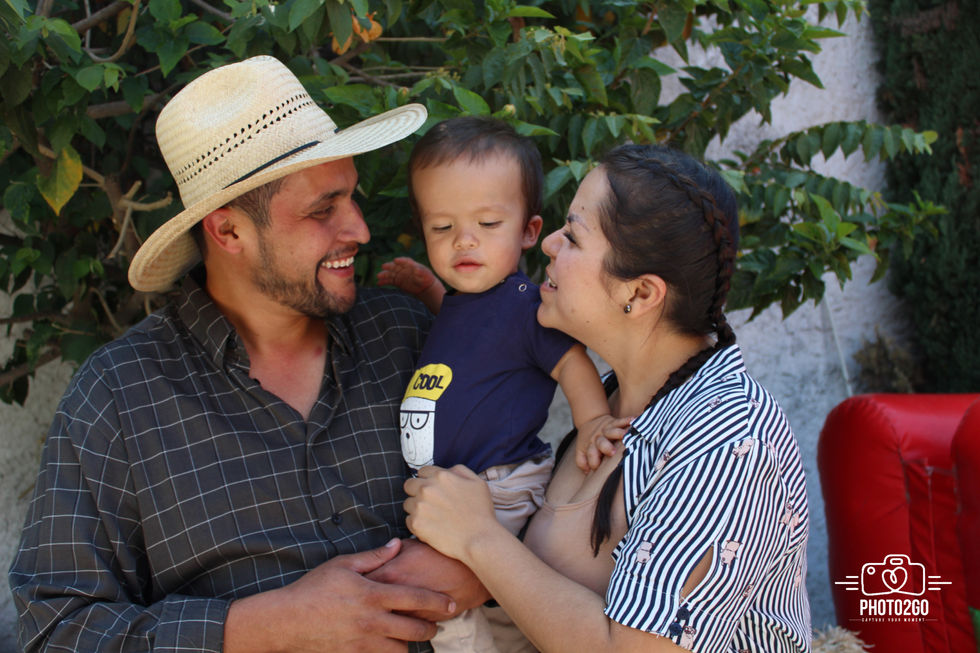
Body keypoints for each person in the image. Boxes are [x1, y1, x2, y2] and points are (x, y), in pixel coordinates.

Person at [8, 55, 490, 652]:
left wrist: (486, 566)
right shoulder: (119, 396)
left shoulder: (407, 334)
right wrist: (265, 626)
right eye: (323, 209)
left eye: (351, 198)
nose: (360, 230)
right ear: (228, 231)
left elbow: (524, 477)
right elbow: (54, 630)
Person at [403, 144, 812, 652]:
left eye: (573, 236)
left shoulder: (728, 442)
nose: (548, 242)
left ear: (638, 293)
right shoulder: (615, 402)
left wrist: (477, 536)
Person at [378, 117, 628, 652]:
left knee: (435, 595)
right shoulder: (463, 303)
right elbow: (470, 344)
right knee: (491, 610)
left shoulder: (524, 305)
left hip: (499, 484)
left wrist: (592, 421)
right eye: (441, 228)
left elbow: (570, 362)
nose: (464, 239)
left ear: (530, 231)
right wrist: (429, 292)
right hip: (458, 488)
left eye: (488, 222)